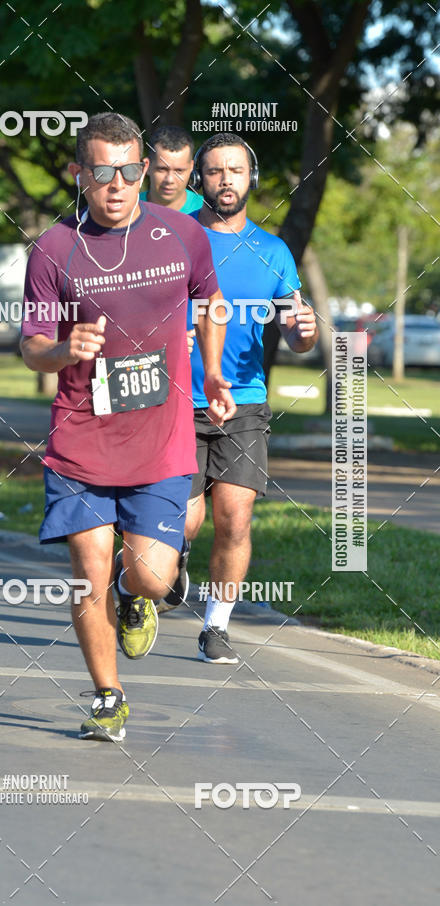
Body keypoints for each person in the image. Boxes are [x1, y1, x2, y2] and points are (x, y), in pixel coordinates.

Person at [20, 112, 235, 742]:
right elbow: (32, 346)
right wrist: (64, 350)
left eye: (130, 170)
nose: (117, 185)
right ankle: (108, 696)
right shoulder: (53, 249)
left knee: (152, 576)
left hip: (161, 439)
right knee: (87, 574)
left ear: (144, 170)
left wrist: (214, 371)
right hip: (81, 439)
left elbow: (208, 304)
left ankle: (137, 591)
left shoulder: (181, 234)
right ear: (79, 173)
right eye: (102, 171)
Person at [174, 133, 318, 664]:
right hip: (176, 400)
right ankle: (167, 569)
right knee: (183, 521)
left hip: (244, 402)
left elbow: (298, 335)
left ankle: (216, 626)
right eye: (214, 171)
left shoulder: (273, 252)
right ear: (200, 180)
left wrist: (304, 332)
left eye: (236, 170)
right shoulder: (176, 241)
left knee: (235, 518)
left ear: (251, 179)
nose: (226, 179)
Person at [140, 125, 203, 214]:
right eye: (162, 169)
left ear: (191, 167)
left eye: (179, 171)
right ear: (147, 166)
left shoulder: (207, 211)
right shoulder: (128, 209)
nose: (169, 180)